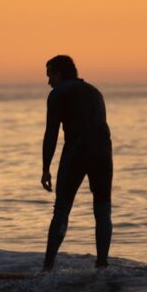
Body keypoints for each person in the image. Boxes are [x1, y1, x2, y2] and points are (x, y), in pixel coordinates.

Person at [40, 55, 113, 271]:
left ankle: (47, 269)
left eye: (50, 76)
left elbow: (51, 133)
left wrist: (45, 168)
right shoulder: (94, 92)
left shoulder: (58, 94)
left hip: (77, 150)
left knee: (62, 210)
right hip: (103, 152)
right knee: (103, 210)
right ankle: (102, 267)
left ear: (60, 74)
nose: (49, 82)